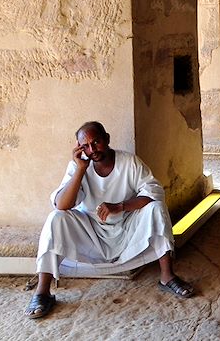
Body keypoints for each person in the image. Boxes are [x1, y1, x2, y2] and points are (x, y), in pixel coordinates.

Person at [24, 121, 194, 319]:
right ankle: (43, 292)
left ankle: (167, 276)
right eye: (85, 146)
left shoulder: (129, 162)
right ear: (79, 148)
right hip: (91, 231)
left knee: (156, 208)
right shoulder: (78, 166)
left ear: (107, 139)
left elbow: (154, 192)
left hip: (126, 225)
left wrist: (120, 206)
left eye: (96, 142)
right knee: (56, 218)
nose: (92, 149)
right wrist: (80, 169)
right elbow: (62, 204)